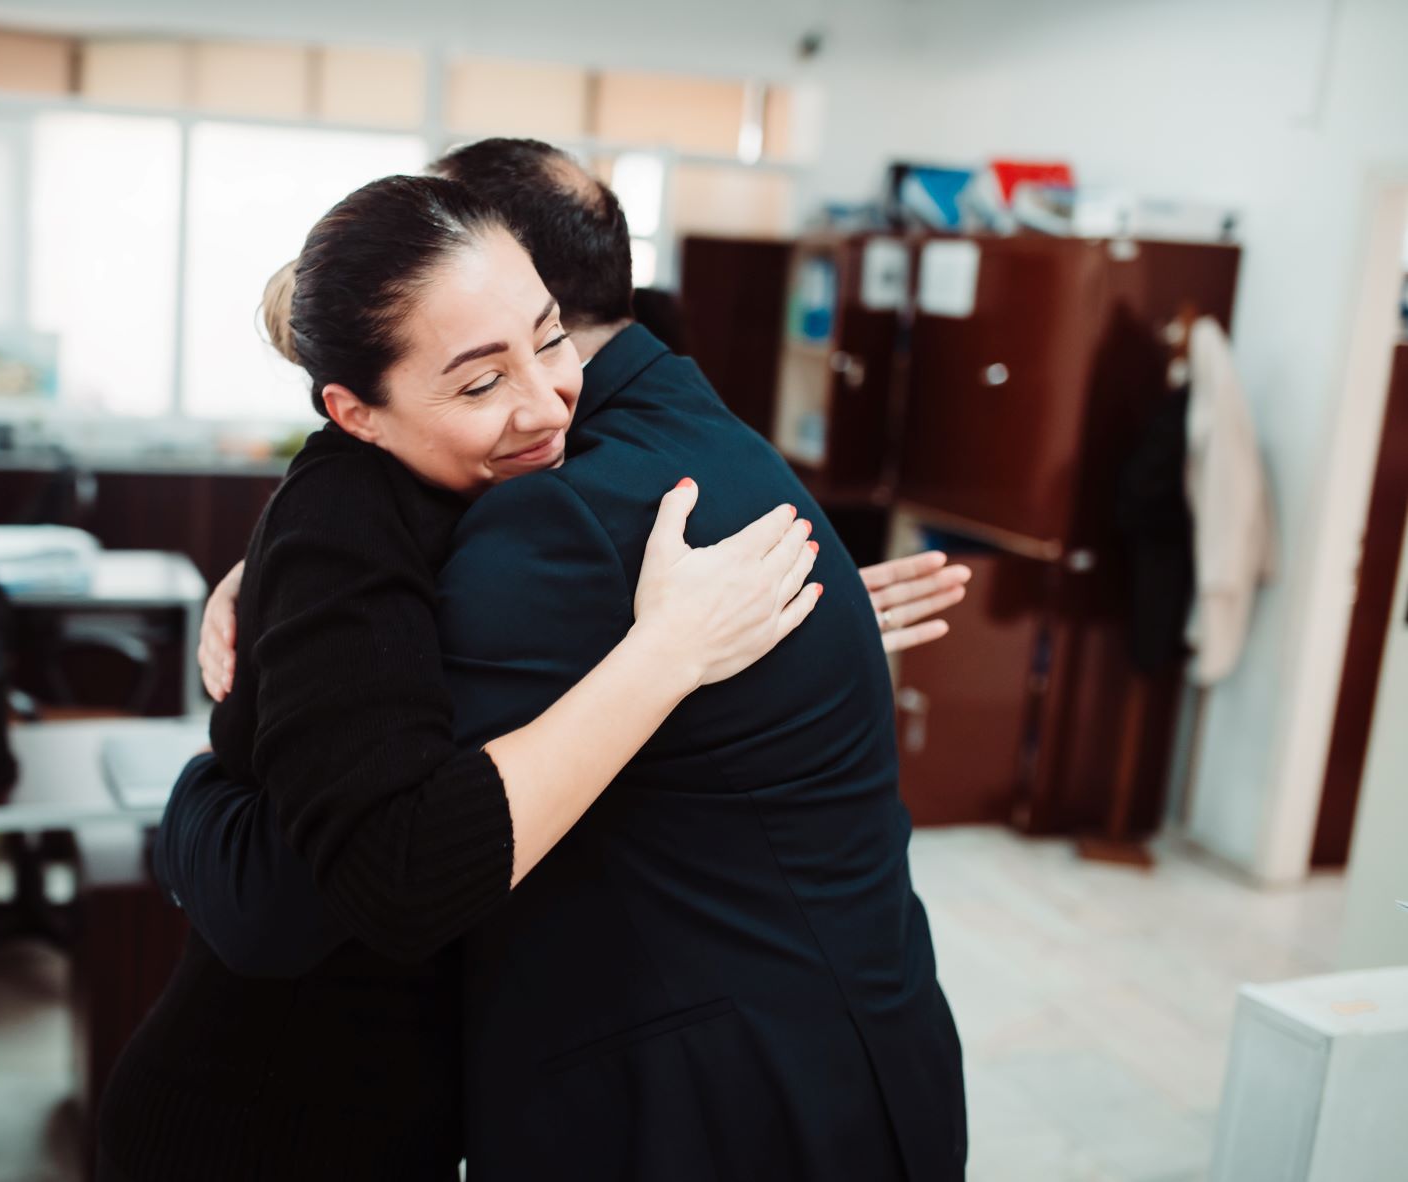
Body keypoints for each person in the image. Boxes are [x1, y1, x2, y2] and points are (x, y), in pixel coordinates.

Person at [167, 140, 972, 1180]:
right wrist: (282, 590)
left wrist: (194, 792)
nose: (544, 402)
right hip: (868, 1054)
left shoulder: (568, 515)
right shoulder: (700, 435)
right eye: (480, 376)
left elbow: (300, 886)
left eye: (543, 339)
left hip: (716, 1106)